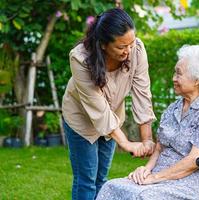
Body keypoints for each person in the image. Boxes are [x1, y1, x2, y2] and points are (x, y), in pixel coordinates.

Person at [96, 45, 199, 200]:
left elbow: (194, 161)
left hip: (192, 184)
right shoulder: (173, 109)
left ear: (197, 80)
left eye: (179, 74)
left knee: (144, 196)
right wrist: (146, 170)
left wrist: (155, 178)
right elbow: (159, 149)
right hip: (161, 177)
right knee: (110, 187)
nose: (173, 78)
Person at [62, 8, 156, 200]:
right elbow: (98, 108)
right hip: (81, 120)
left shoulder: (136, 49)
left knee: (101, 179)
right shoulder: (80, 58)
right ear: (103, 44)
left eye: (131, 44)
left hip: (112, 119)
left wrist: (147, 139)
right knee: (86, 180)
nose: (128, 51)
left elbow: (142, 93)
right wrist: (127, 144)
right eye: (122, 47)